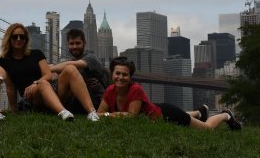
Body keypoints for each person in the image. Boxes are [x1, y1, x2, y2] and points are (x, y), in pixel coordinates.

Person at [97, 56, 242, 131]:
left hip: (168, 115)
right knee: (186, 116)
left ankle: (226, 115)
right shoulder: (110, 91)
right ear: (112, 74)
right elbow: (98, 114)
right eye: (117, 73)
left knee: (207, 129)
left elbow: (130, 116)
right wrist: (101, 116)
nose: (120, 78)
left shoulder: (136, 90)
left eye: (125, 74)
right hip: (157, 110)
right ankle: (200, 112)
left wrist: (105, 116)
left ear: (130, 77)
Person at [0, 23, 98, 121]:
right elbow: (10, 88)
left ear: (26, 39)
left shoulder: (36, 54)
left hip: (50, 90)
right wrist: (14, 111)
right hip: (31, 98)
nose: (19, 39)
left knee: (70, 68)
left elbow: (48, 75)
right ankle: (63, 112)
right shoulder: (3, 60)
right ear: (9, 38)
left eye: (22, 37)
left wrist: (35, 83)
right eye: (15, 37)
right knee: (43, 84)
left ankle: (92, 113)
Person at [49, 29, 104, 116]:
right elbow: (57, 70)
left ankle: (92, 113)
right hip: (74, 105)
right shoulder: (66, 62)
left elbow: (71, 65)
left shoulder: (91, 58)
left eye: (78, 43)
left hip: (95, 102)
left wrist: (49, 68)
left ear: (84, 43)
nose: (74, 46)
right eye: (71, 44)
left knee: (70, 69)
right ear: (68, 45)